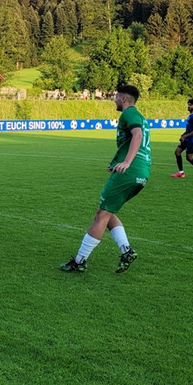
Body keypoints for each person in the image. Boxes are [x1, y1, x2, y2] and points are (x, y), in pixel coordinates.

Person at [61, 84, 150, 274]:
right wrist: (117, 161)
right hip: (141, 172)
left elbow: (137, 135)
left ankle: (80, 261)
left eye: (117, 96)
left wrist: (126, 162)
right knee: (108, 213)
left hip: (130, 171)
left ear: (124, 99)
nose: (114, 99)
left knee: (100, 215)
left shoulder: (129, 113)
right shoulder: (139, 116)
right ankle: (126, 251)